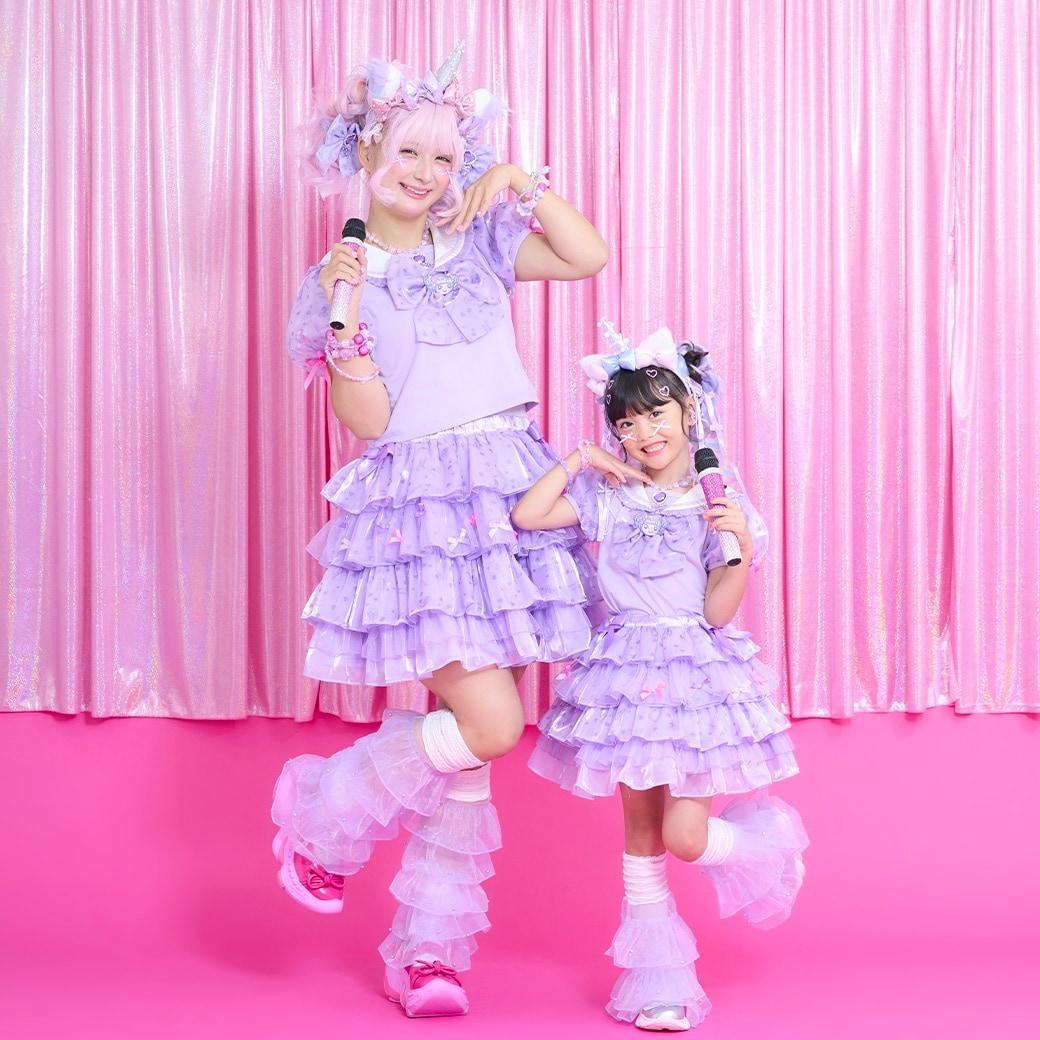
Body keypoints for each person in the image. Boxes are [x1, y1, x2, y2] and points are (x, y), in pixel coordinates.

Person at [272, 43, 608, 1019]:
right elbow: (370, 421)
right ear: (365, 153)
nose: (425, 173)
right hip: (422, 508)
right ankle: (322, 812)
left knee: (470, 742)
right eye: (407, 151)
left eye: (444, 156)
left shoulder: (478, 239)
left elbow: (585, 255)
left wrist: (517, 182)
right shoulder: (343, 275)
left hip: (508, 496)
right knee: (488, 724)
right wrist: (346, 329)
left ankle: (429, 953)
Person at [514, 322, 807, 1031]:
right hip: (624, 675)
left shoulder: (717, 496)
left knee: (685, 835)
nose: (643, 432)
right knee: (641, 839)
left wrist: (737, 547)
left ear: (688, 410)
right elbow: (528, 513)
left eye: (656, 413)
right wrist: (582, 458)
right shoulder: (609, 495)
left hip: (693, 677)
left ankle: (764, 852)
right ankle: (657, 985)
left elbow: (716, 612)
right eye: (626, 421)